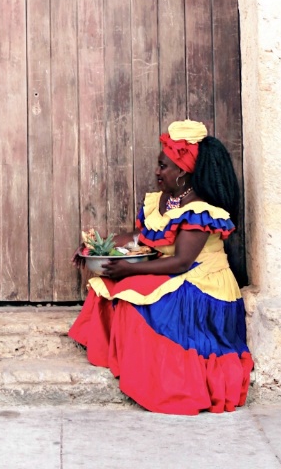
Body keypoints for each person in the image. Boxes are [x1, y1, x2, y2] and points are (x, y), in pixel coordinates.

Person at [68, 120, 253, 415]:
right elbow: (141, 238)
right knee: (106, 287)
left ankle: (152, 378)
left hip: (203, 287)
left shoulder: (199, 210)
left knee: (129, 296)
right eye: (159, 164)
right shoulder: (164, 201)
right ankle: (124, 360)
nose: (157, 171)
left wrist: (128, 270)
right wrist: (95, 245)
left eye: (163, 166)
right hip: (179, 275)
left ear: (181, 171)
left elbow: (181, 262)